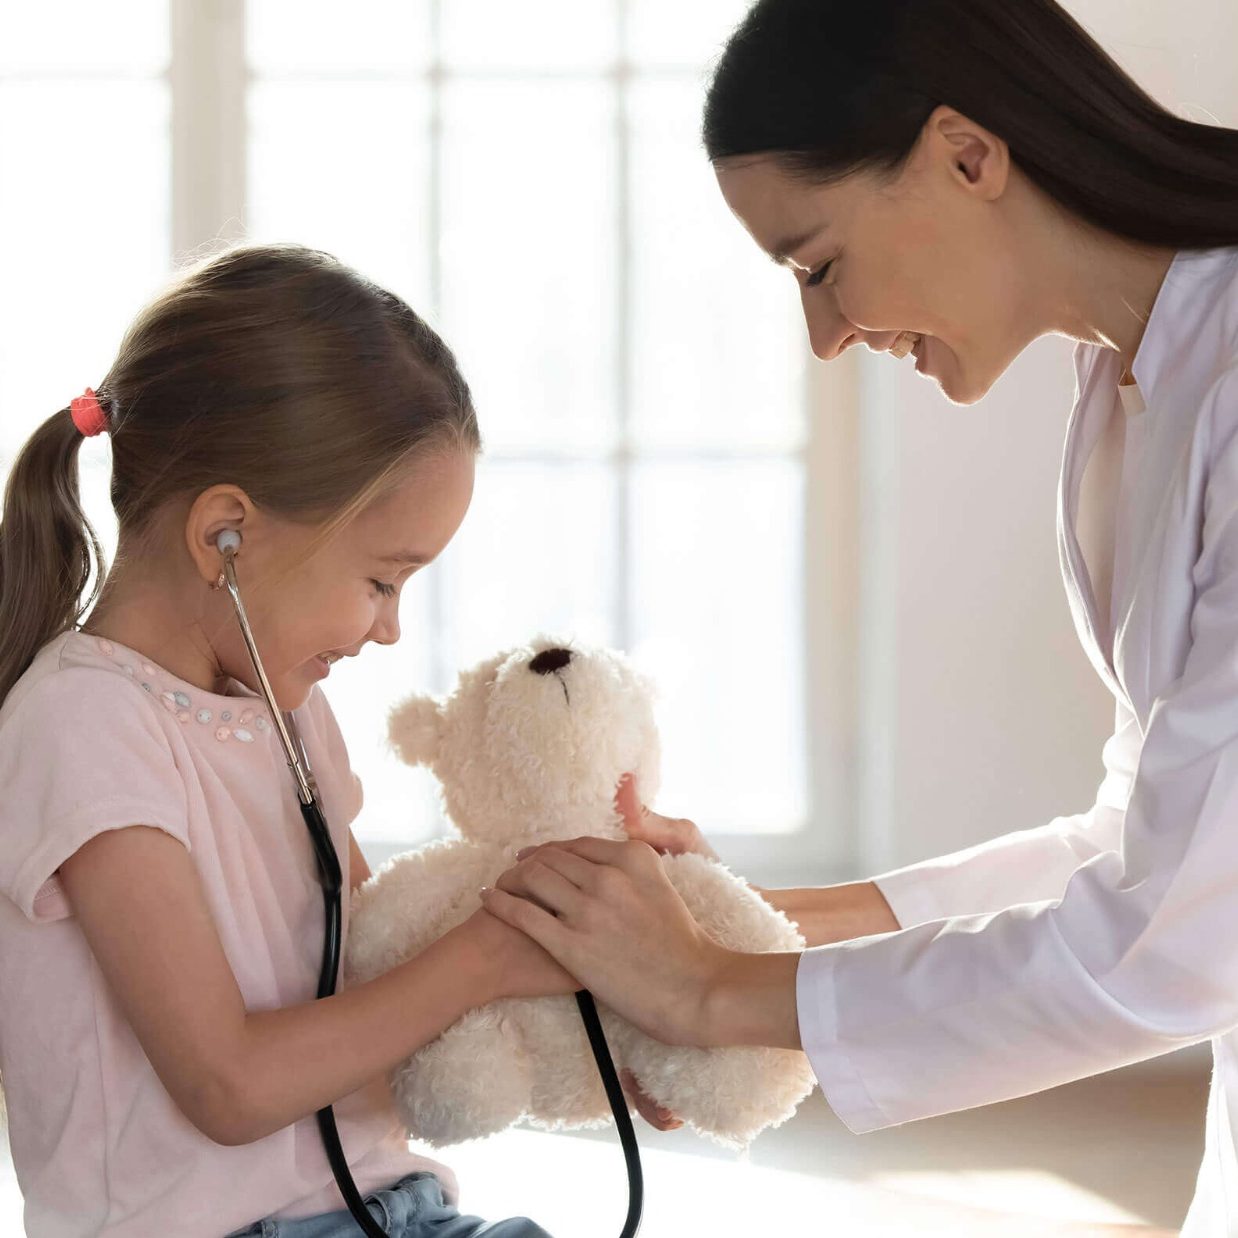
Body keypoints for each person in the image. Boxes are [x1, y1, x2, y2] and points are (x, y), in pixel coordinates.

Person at [480, 1, 1238, 1234]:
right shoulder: (1126, 379)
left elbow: (1170, 939)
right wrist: (753, 920)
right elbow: (1149, 835)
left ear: (965, 153)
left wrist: (715, 990)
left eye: (816, 265)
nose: (824, 337)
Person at [0, 242, 577, 1237]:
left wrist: (595, 984)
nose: (389, 626)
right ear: (226, 533)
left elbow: (379, 961)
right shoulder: (82, 723)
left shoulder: (287, 707)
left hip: (386, 1206)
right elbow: (228, 1082)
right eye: (380, 578)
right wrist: (485, 958)